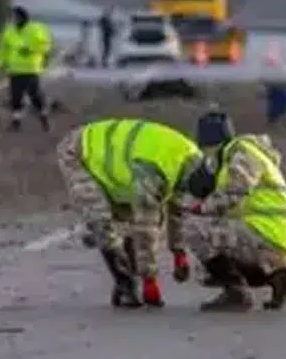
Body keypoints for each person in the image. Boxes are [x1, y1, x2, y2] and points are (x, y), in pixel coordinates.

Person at [54, 118, 215, 308]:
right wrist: (150, 279)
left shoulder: (192, 160)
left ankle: (130, 279)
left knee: (129, 221)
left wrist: (179, 253)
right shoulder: (154, 172)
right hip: (79, 152)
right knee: (103, 221)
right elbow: (145, 229)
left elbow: (177, 210)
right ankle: (125, 284)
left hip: (123, 162)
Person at [185, 111, 286, 311]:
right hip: (273, 236)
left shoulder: (242, 153)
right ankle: (276, 278)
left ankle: (237, 294)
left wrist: (201, 208)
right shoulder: (237, 156)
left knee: (194, 229)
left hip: (269, 234)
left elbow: (235, 191)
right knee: (205, 270)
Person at [0, 5, 53, 131]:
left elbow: (45, 45)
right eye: (12, 17)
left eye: (15, 17)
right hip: (14, 69)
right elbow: (4, 49)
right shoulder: (9, 31)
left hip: (31, 69)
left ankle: (43, 115)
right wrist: (1, 63)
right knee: (15, 96)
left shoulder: (35, 29)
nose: (13, 19)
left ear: (22, 17)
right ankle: (16, 121)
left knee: (34, 95)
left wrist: (31, 49)